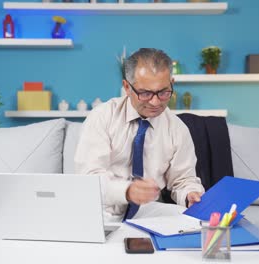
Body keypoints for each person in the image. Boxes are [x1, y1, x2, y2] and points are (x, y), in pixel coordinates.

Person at [74, 48, 204, 220]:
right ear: (127, 87)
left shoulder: (177, 129)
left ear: (171, 83)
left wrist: (190, 195)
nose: (155, 102)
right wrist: (127, 191)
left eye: (164, 92)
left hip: (148, 210)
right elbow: (89, 178)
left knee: (194, 222)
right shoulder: (102, 117)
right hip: (104, 210)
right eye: (145, 93)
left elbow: (183, 180)